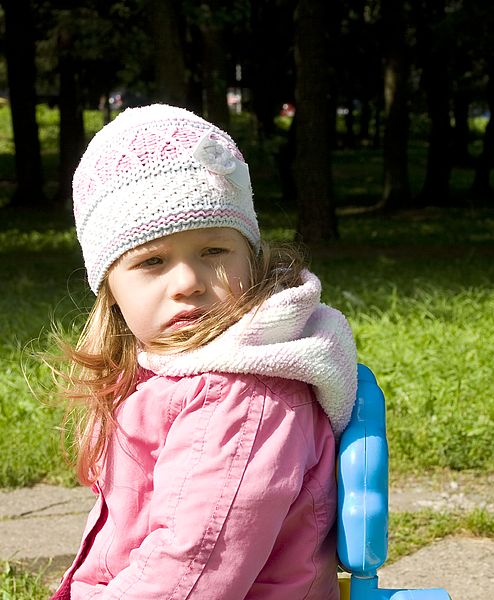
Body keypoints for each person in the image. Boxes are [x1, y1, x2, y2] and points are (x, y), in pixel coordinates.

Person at [49, 104, 357, 600]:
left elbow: (194, 566)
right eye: (152, 261)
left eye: (213, 251)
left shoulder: (241, 395)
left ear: (252, 258)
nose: (188, 282)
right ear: (109, 286)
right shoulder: (178, 373)